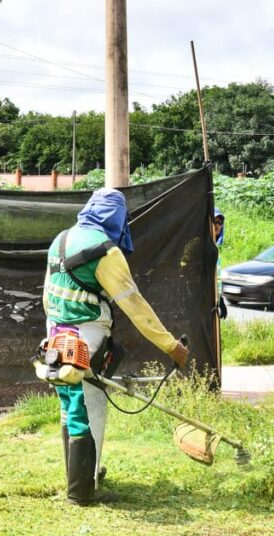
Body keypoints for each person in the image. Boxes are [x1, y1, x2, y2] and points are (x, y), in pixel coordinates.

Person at [43, 188, 189, 505]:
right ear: (116, 217)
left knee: (69, 405)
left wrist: (55, 329)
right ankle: (83, 490)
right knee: (88, 406)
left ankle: (81, 475)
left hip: (55, 333)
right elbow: (133, 304)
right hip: (86, 335)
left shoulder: (62, 239)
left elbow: (47, 295)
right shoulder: (105, 251)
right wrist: (170, 345)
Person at [213, 207, 228, 319]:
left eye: (220, 222)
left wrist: (220, 298)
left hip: (213, 301)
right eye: (214, 221)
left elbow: (217, 277)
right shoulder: (197, 244)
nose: (218, 225)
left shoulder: (215, 248)